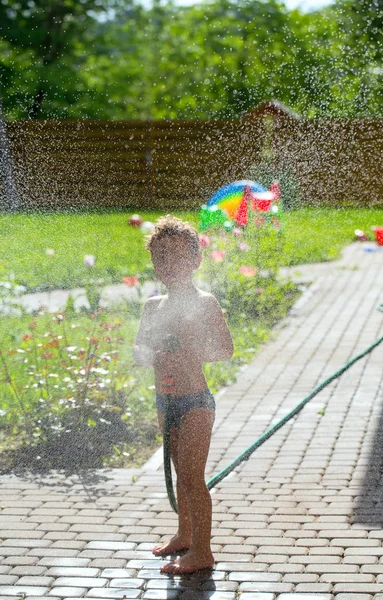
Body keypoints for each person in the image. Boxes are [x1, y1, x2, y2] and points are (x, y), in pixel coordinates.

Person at [133, 215, 234, 574]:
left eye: (177, 257)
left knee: (193, 478)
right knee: (180, 474)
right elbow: (138, 352)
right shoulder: (152, 307)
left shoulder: (205, 303)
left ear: (196, 261)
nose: (169, 265)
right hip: (166, 401)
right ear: (154, 264)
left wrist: (193, 349)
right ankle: (184, 534)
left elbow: (225, 349)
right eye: (161, 258)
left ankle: (202, 551)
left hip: (195, 402)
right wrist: (151, 353)